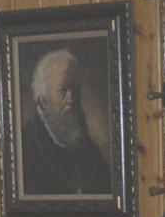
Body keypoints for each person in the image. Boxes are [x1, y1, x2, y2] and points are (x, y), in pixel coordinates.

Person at [17, 47, 114, 198]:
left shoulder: (86, 144)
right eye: (63, 90)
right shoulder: (24, 145)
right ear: (43, 102)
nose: (72, 98)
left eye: (75, 89)